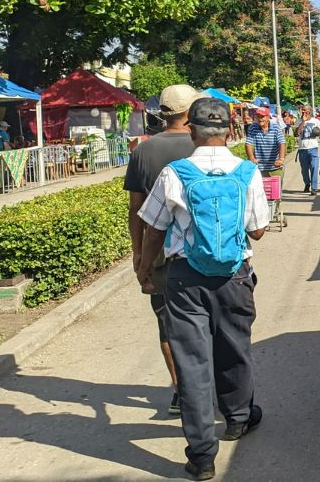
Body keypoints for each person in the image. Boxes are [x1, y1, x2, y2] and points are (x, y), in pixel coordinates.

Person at [135, 97, 270, 480]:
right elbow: (257, 229)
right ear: (230, 130)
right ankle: (239, 418)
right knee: (235, 346)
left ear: (191, 130)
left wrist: (145, 271)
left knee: (192, 364)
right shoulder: (247, 171)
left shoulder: (175, 173)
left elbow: (154, 229)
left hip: (184, 279)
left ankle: (201, 455)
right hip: (234, 276)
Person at [124, 84, 201, 417]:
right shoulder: (205, 145)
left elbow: (135, 209)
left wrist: (138, 254)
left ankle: (180, 389)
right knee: (206, 319)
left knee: (168, 324)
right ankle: (205, 386)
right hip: (203, 248)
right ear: (191, 112)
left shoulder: (143, 151)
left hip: (159, 254)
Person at [245, 107, 285, 176]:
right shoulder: (253, 127)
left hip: (275, 167)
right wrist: (251, 158)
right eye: (258, 116)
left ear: (268, 117)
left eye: (262, 116)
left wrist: (281, 159)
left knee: (275, 187)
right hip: (259, 168)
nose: (260, 119)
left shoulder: (276, 127)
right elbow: (248, 143)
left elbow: (281, 143)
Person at [295, 105, 320, 194]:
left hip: (313, 148)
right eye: (302, 110)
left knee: (314, 167)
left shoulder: (316, 121)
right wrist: (303, 122)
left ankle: (314, 187)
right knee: (304, 169)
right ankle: (307, 183)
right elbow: (297, 133)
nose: (304, 112)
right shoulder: (299, 121)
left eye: (306, 110)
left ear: (310, 111)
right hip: (302, 149)